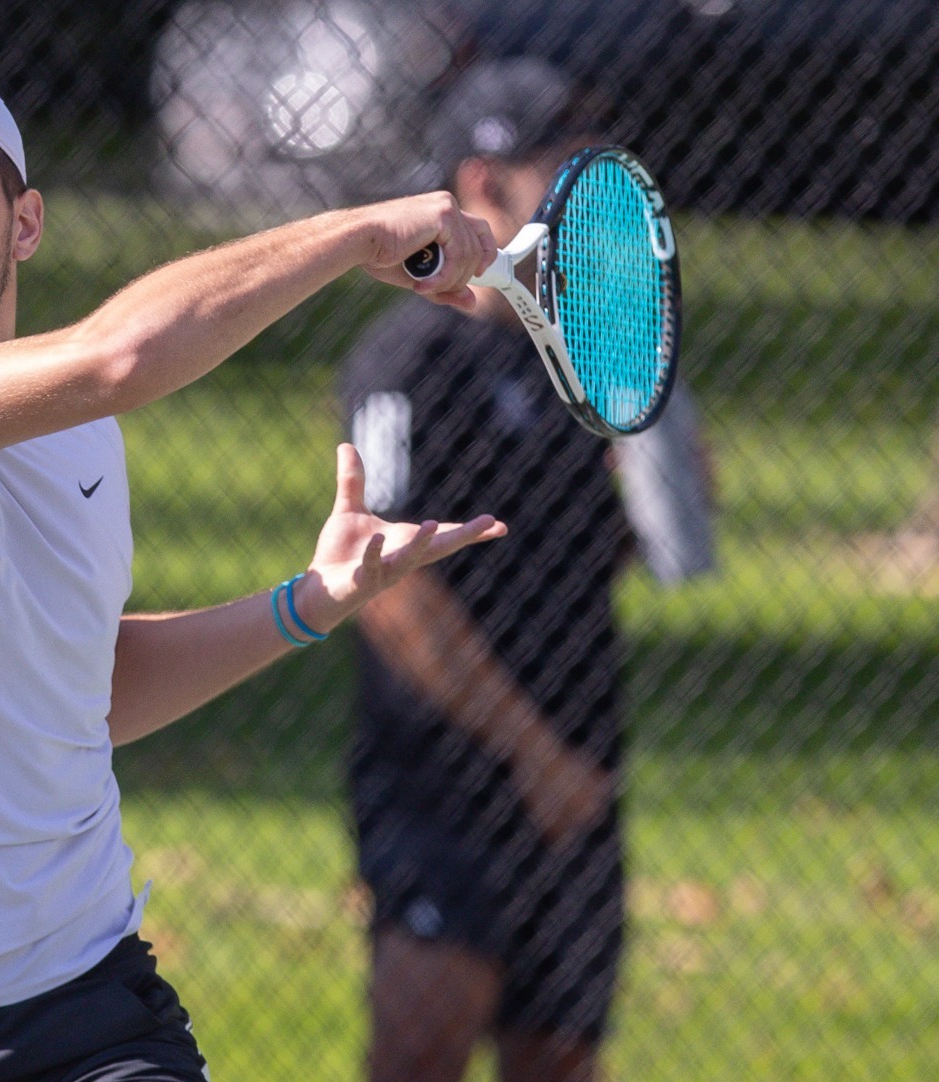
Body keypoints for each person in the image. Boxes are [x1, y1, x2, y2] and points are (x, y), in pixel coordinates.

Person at [0, 52, 509, 1082]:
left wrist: (306, 603)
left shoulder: (81, 440)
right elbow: (117, 355)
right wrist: (351, 234)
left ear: (23, 222)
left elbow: (80, 687)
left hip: (82, 1008)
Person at [340, 58, 702, 1082]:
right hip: (444, 776)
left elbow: (615, 551)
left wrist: (665, 482)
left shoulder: (584, 358)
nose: (586, 179)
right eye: (560, 158)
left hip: (581, 770)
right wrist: (526, 753)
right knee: (421, 1046)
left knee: (557, 1059)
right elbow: (387, 588)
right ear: (484, 181)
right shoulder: (405, 361)